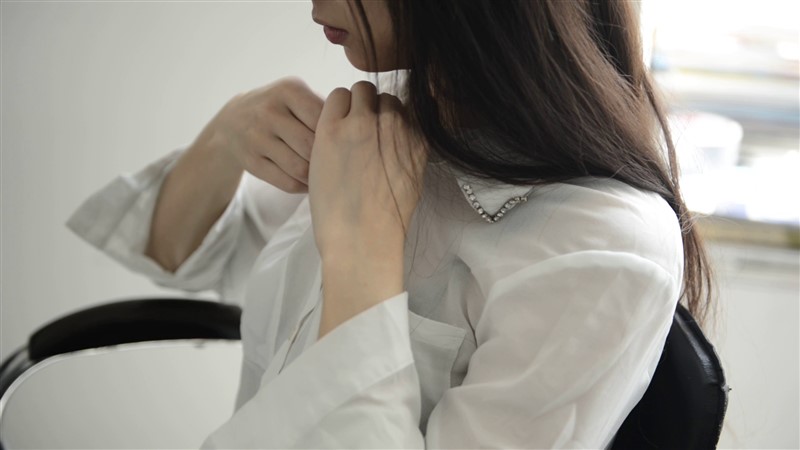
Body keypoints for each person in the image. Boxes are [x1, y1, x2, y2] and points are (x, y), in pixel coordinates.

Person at [66, 0, 714, 448]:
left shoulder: (601, 245)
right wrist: (227, 135)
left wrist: (361, 255)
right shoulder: (389, 129)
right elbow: (178, 252)